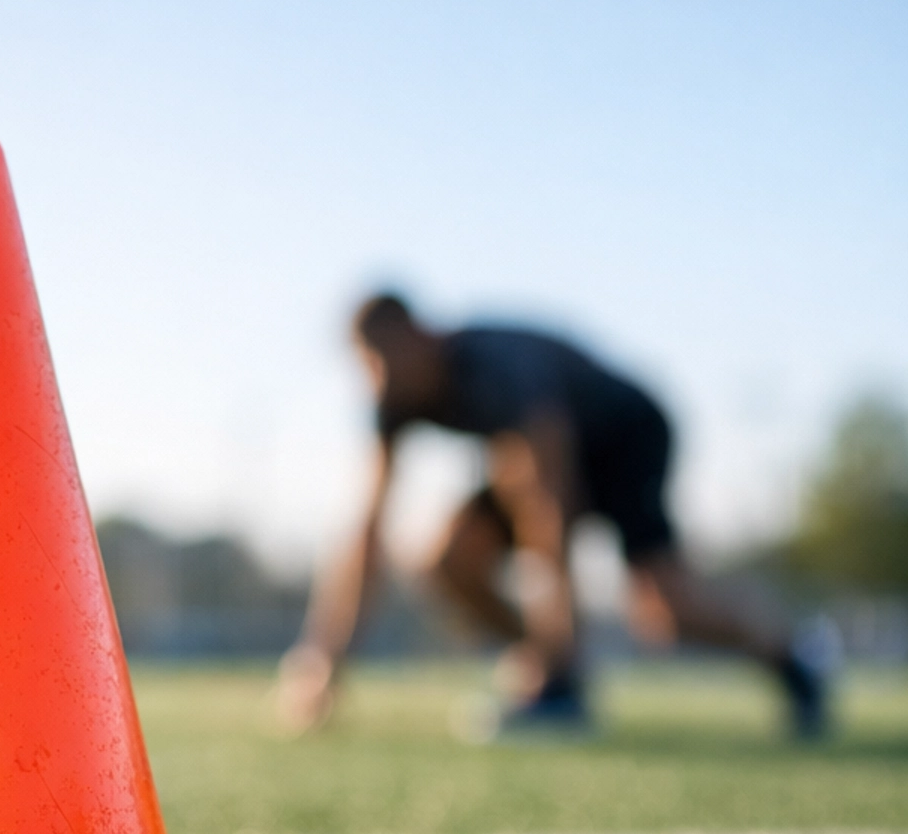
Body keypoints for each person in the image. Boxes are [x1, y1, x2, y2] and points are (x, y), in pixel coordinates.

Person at [277, 293, 831, 736]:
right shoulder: (393, 399)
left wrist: (561, 655)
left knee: (663, 613)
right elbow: (367, 528)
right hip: (535, 459)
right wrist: (325, 655)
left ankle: (794, 653)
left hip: (625, 436)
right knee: (447, 560)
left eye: (385, 362)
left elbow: (548, 506)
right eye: (367, 368)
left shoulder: (495, 367)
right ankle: (548, 661)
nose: (379, 381)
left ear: (422, 338)